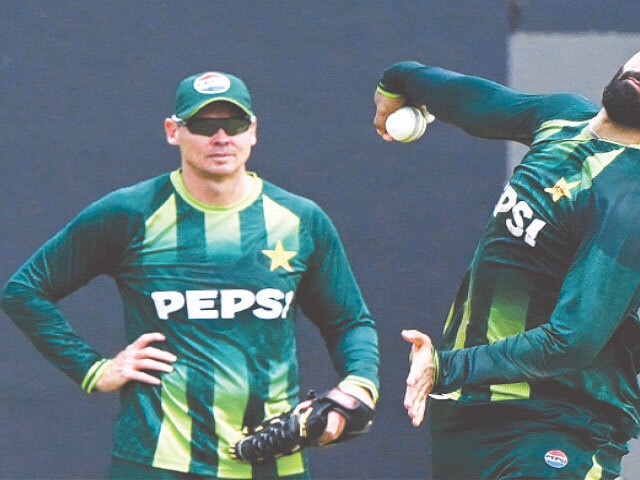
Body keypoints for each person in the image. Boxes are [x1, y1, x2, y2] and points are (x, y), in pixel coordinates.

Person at [373, 2, 640, 478]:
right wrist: (399, 79)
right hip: (469, 413)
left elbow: (570, 341)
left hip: (560, 423)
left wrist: (447, 367)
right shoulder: (563, 119)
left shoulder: (634, 204)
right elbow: (476, 103)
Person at [2, 71, 379, 479]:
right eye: (202, 125)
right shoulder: (130, 213)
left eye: (234, 124)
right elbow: (24, 292)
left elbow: (349, 321)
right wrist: (94, 369)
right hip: (157, 462)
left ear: (253, 131)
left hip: (274, 461)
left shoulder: (300, 220)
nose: (221, 137)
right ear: (172, 132)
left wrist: (358, 386)